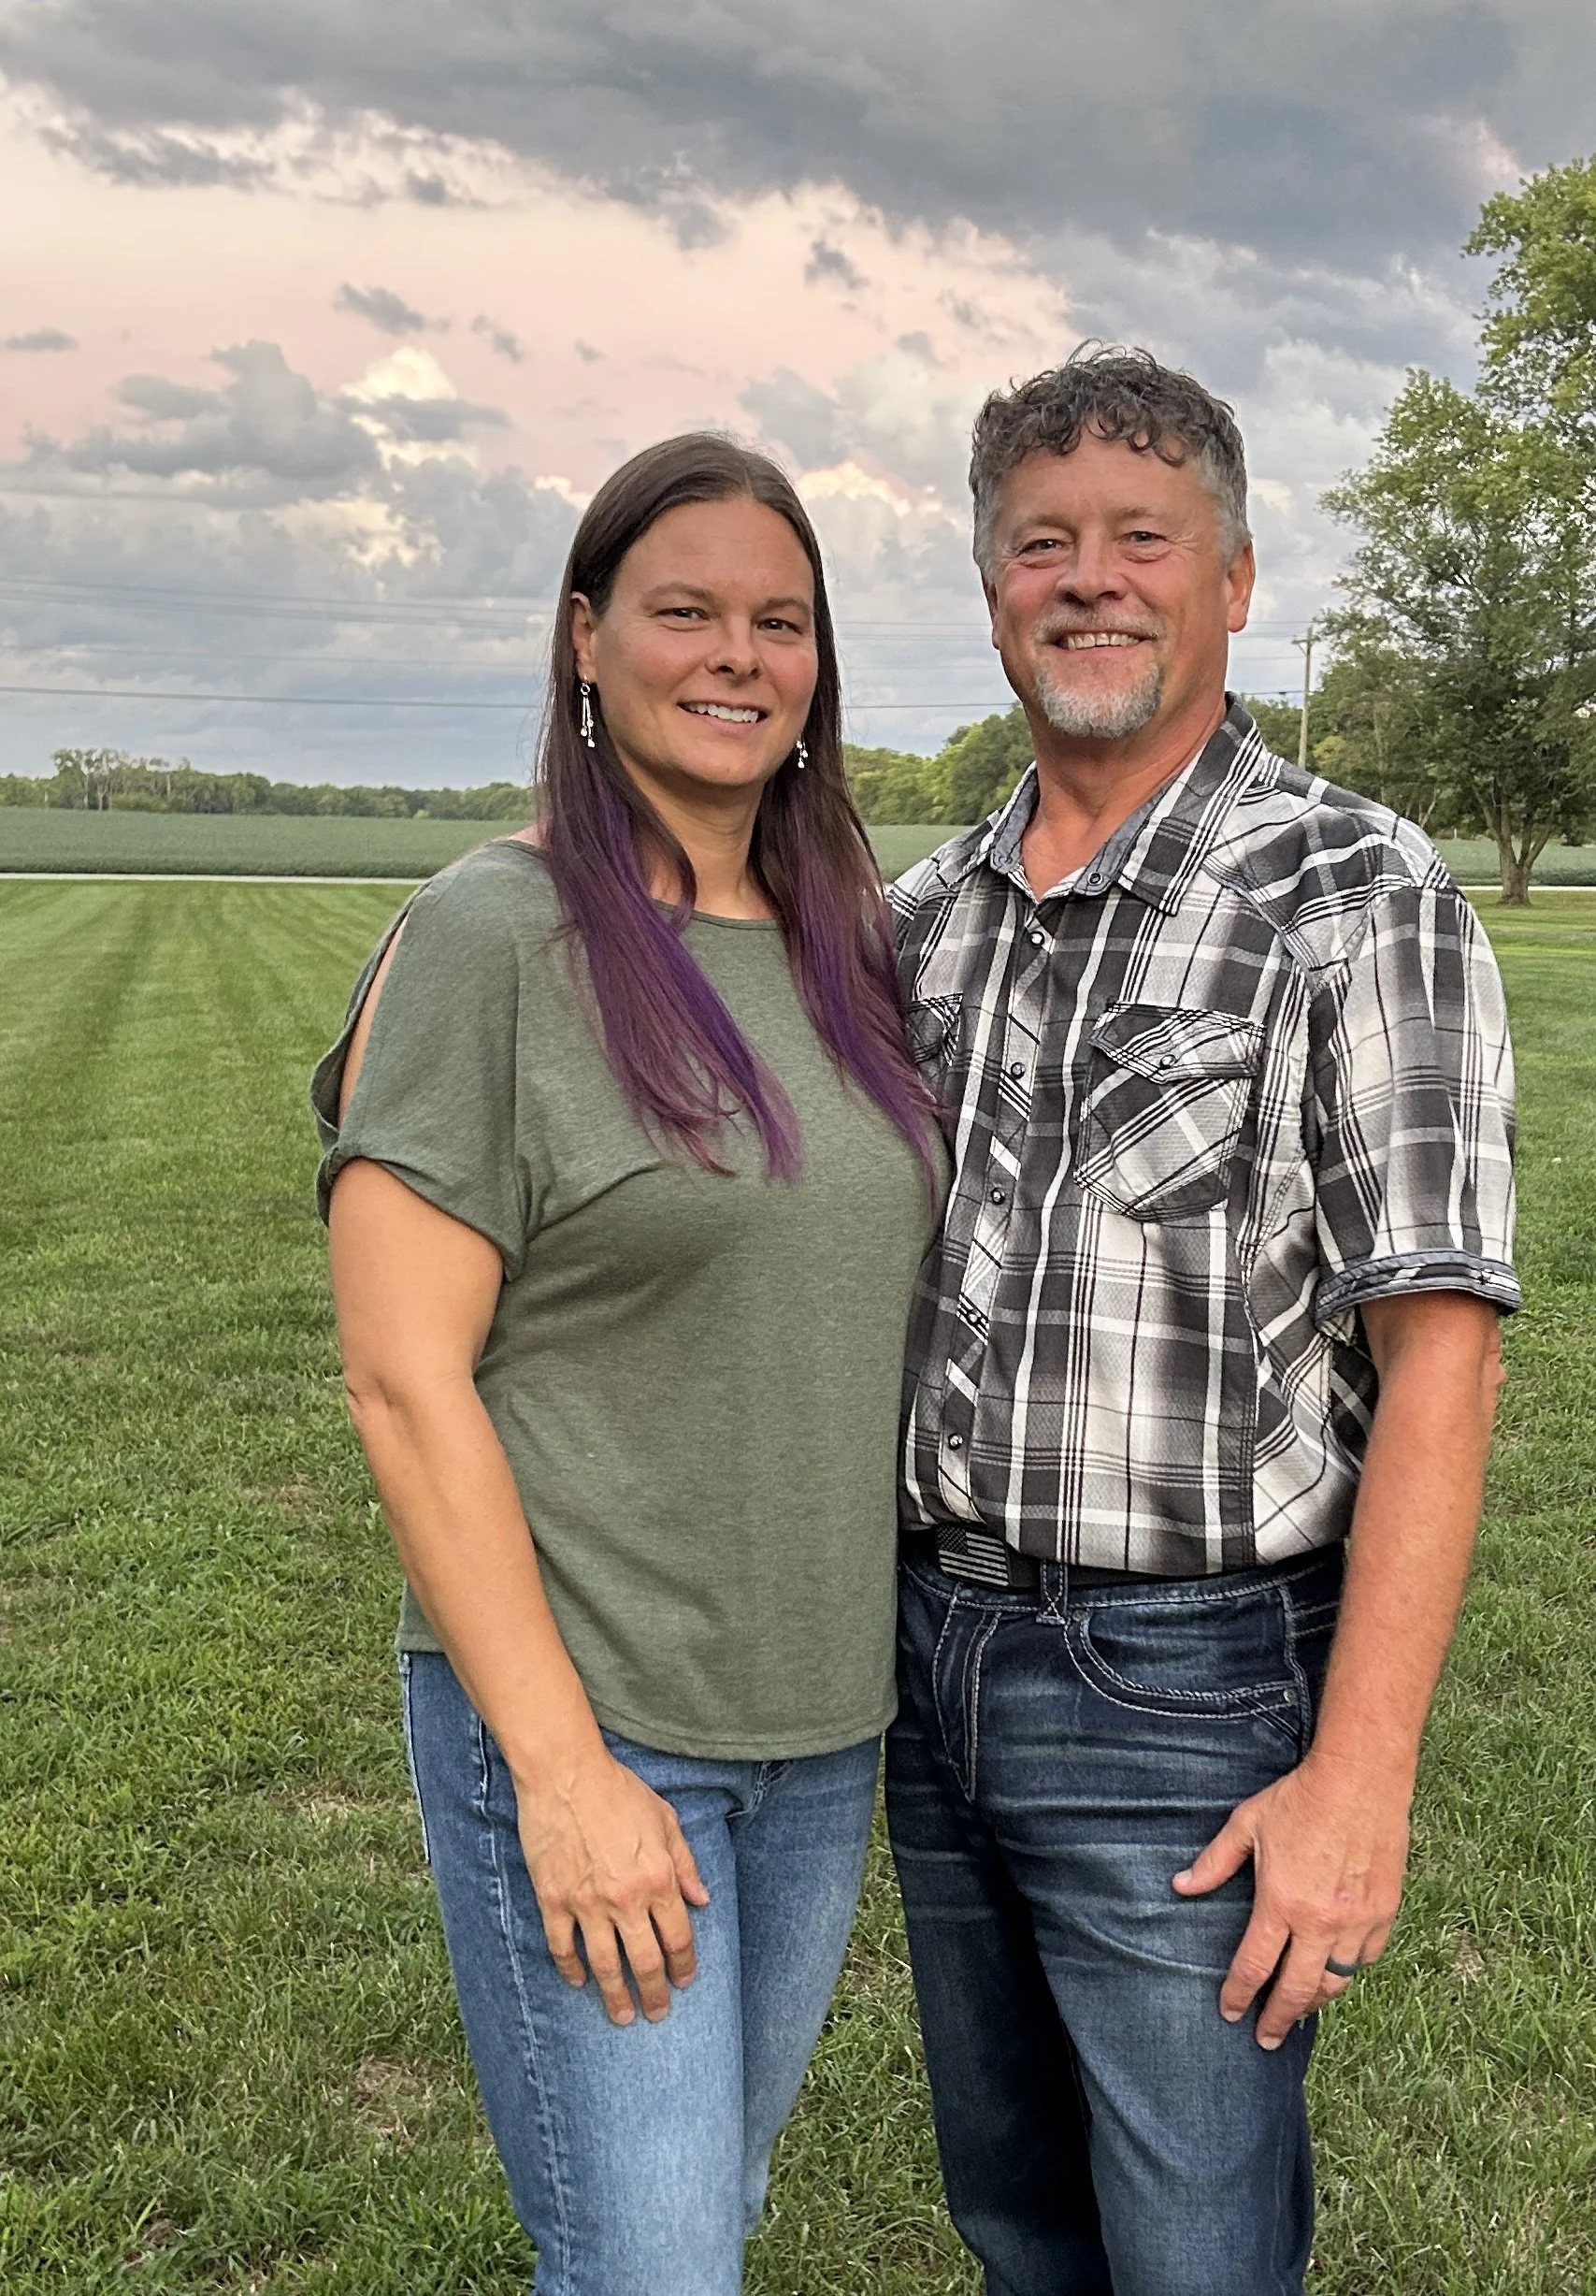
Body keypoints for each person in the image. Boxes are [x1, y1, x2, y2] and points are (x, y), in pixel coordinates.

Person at [885, 346, 1518, 2296]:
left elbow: (1443, 1355)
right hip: (926, 1653)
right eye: (1041, 543)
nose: (1090, 579)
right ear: (992, 587)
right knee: (1015, 2219)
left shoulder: (1354, 892)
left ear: (1230, 581)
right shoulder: (925, 918)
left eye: (1139, 540)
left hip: (1181, 1687)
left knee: (1190, 2253)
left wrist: (1357, 1780)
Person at [311, 432, 943, 2295]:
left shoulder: (850, 949)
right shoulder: (492, 937)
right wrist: (565, 1773)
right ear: (585, 640)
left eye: (779, 621)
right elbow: (403, 1383)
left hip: (822, 1730)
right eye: (683, 612)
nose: (735, 656)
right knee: (655, 2265)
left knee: (689, 2228)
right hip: (592, 1727)